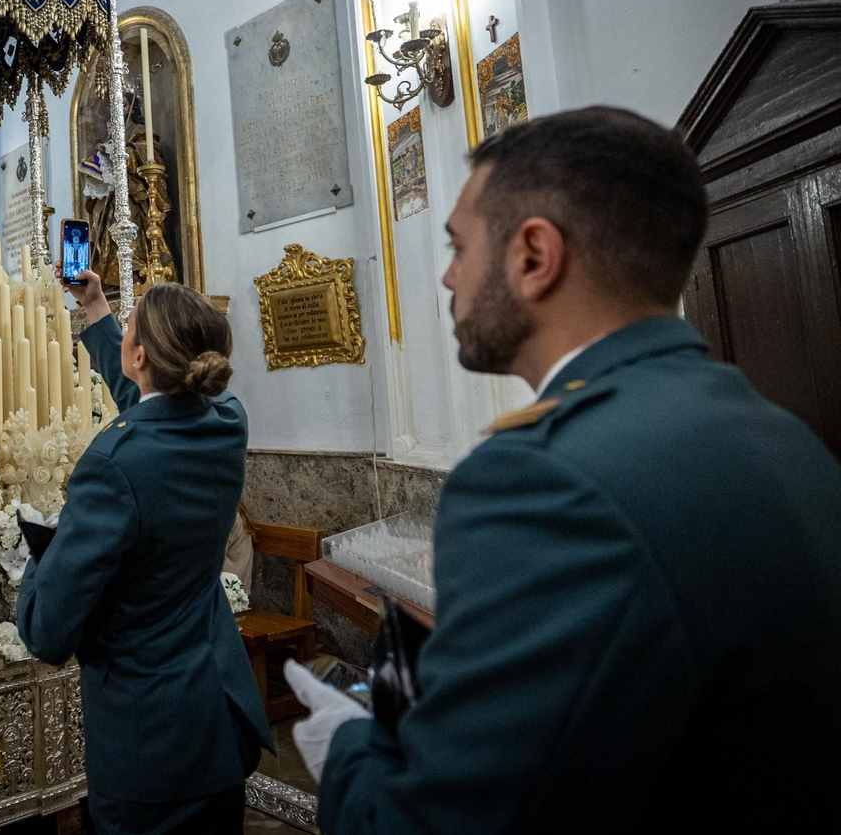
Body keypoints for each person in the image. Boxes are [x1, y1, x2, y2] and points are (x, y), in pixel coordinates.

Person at [288, 107, 841, 833]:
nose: (450, 277)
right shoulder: (784, 434)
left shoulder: (543, 481)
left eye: (459, 246)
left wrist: (349, 747)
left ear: (534, 256)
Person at [18, 268, 269, 835]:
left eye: (129, 328)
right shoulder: (228, 423)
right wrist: (101, 311)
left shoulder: (112, 465)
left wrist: (41, 551)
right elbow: (157, 401)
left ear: (138, 358)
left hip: (147, 747)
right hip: (216, 721)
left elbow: (47, 631)